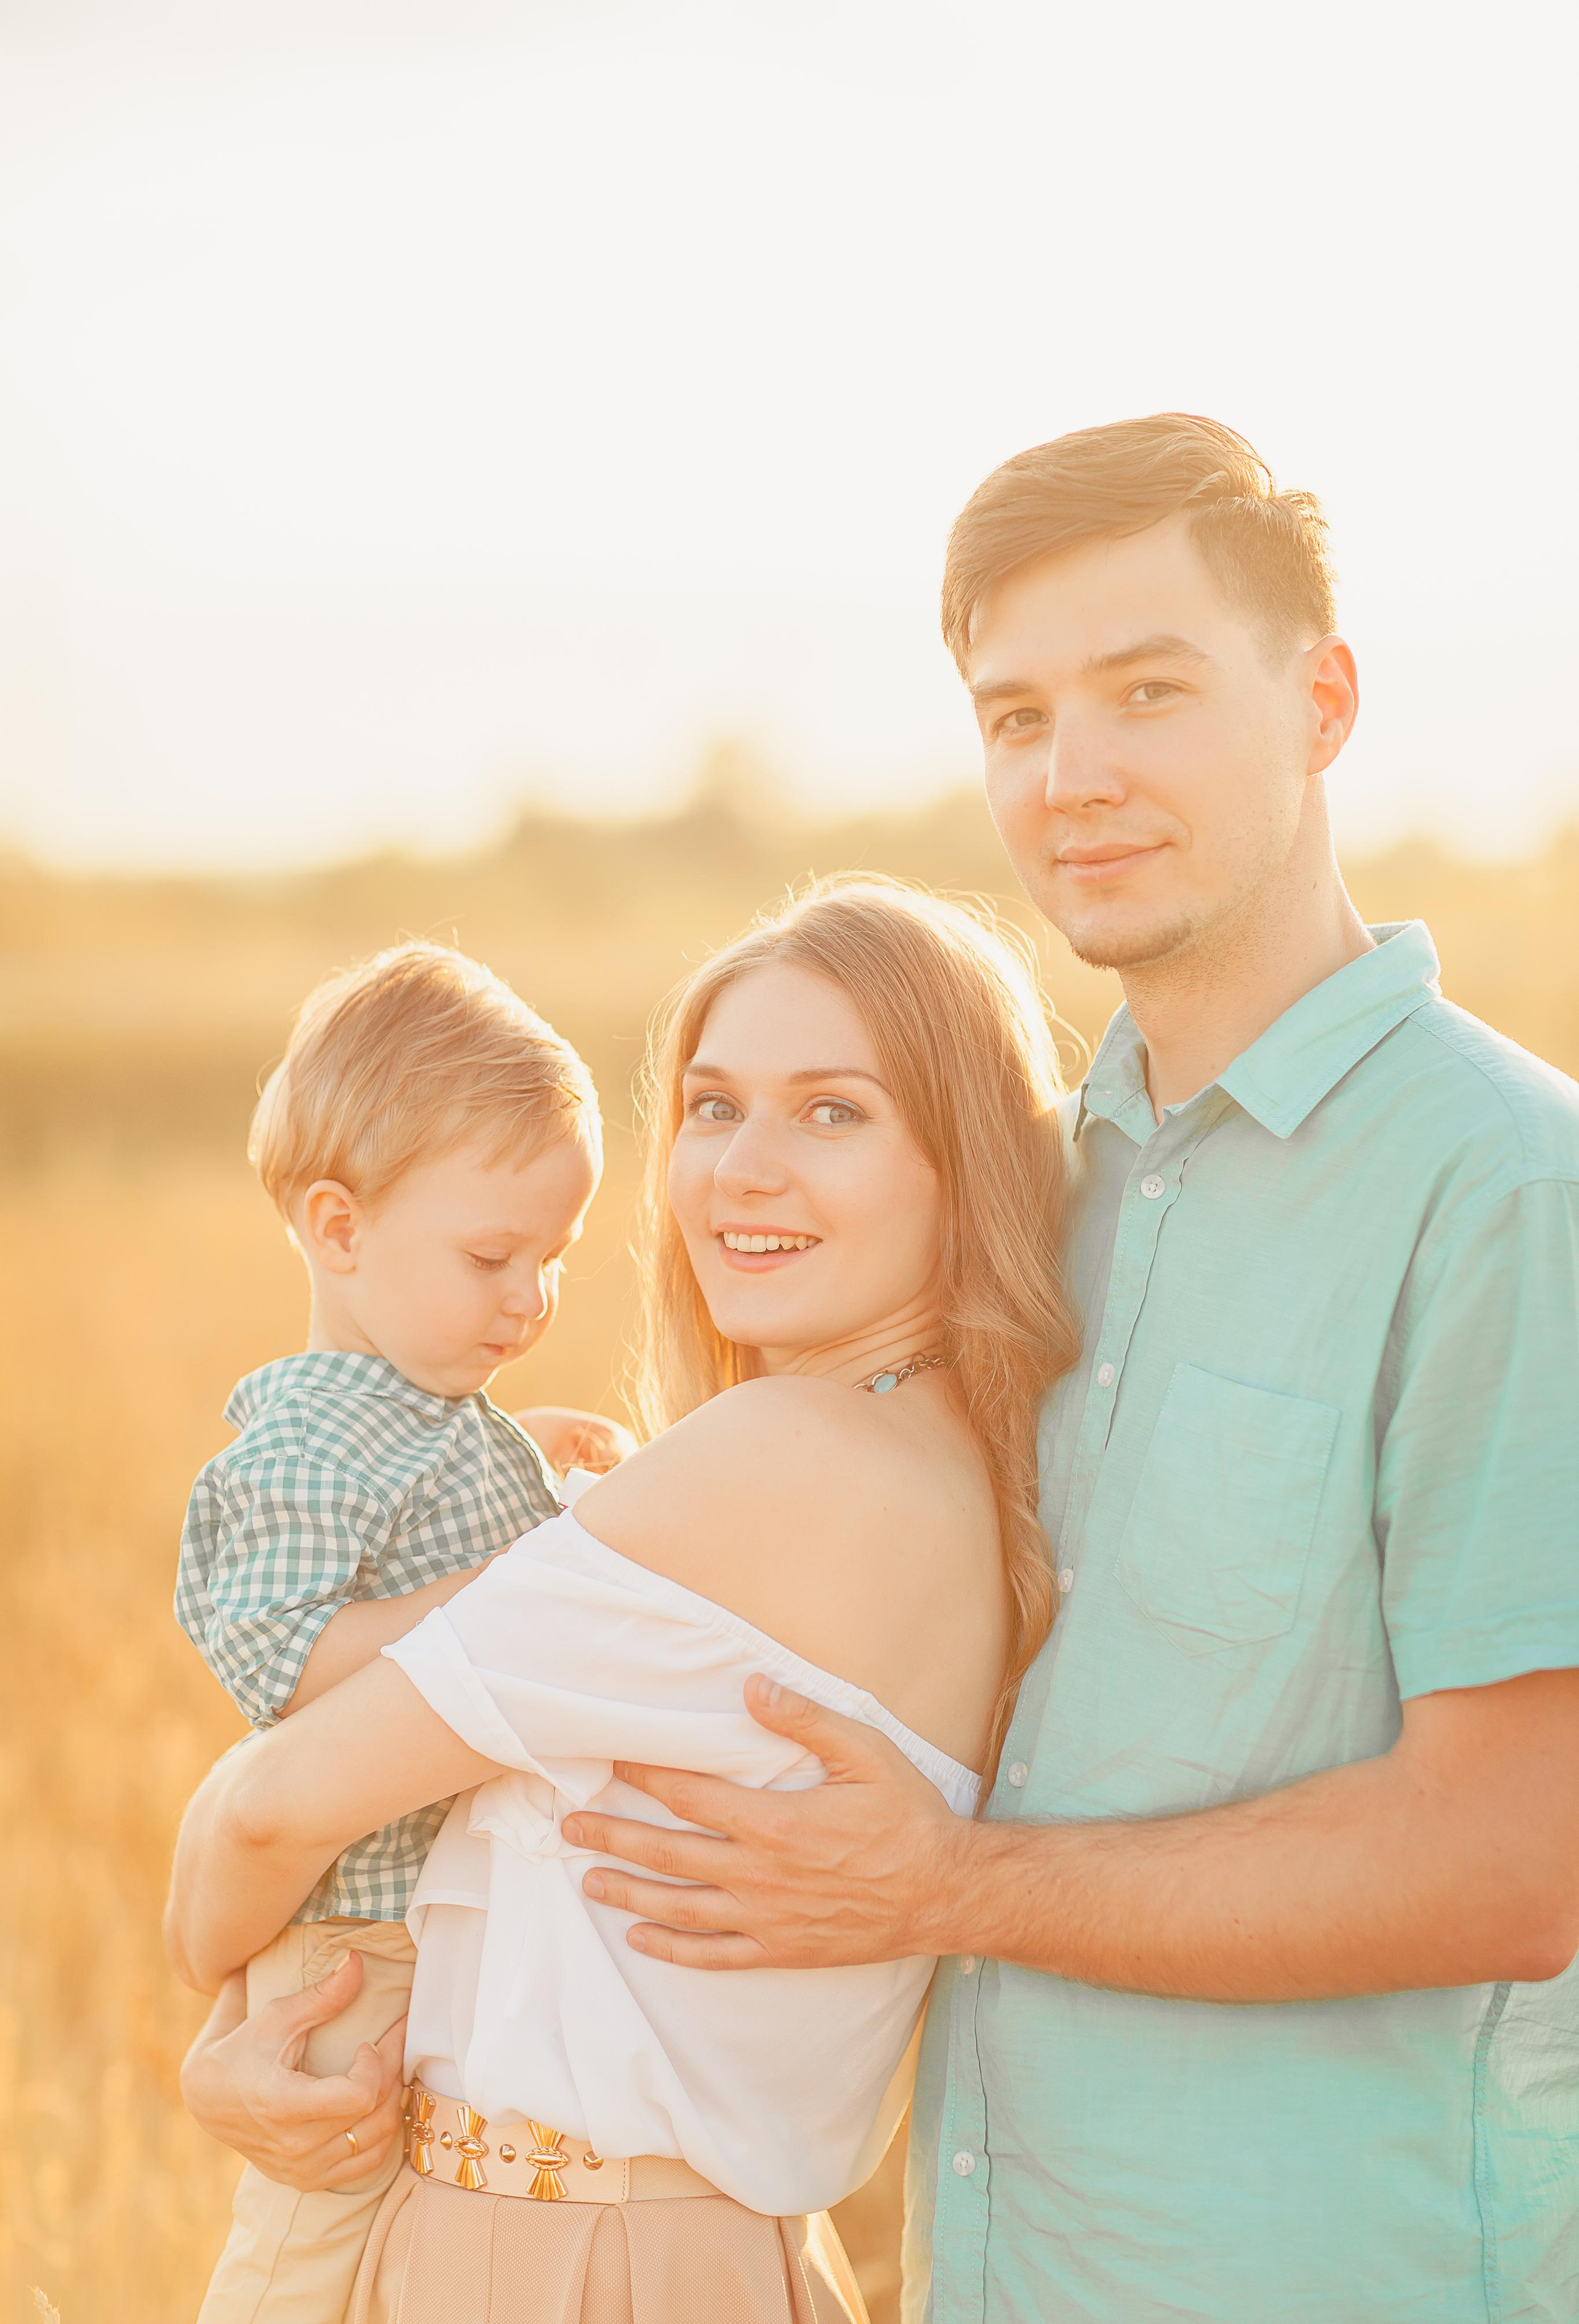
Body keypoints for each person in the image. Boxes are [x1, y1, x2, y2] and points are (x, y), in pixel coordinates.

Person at [552, 415, 1579, 2322]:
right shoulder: (1024, 1185)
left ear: (1324, 699)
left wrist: (949, 1886)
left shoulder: (1509, 1190)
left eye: (1149, 694)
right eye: (1017, 717)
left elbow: (1516, 1855)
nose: (1073, 776)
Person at [166, 879, 1080, 2323]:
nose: (741, 1171)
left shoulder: (776, 1459)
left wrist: (212, 1998)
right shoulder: (949, 1466)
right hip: (712, 2257)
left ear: (960, 1164)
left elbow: (267, 1813)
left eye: (830, 1112)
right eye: (712, 1107)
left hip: (554, 2257)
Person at [176, 939, 620, 2323]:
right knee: (317, 2218)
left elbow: (442, 1515)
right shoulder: (306, 1433)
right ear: (340, 1228)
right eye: (493, 1255)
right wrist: (478, 1599)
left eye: (553, 1258)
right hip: (356, 1942)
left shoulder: (429, 1411)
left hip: (439, 1913)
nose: (532, 1296)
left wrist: (520, 1463)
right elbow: (275, 1653)